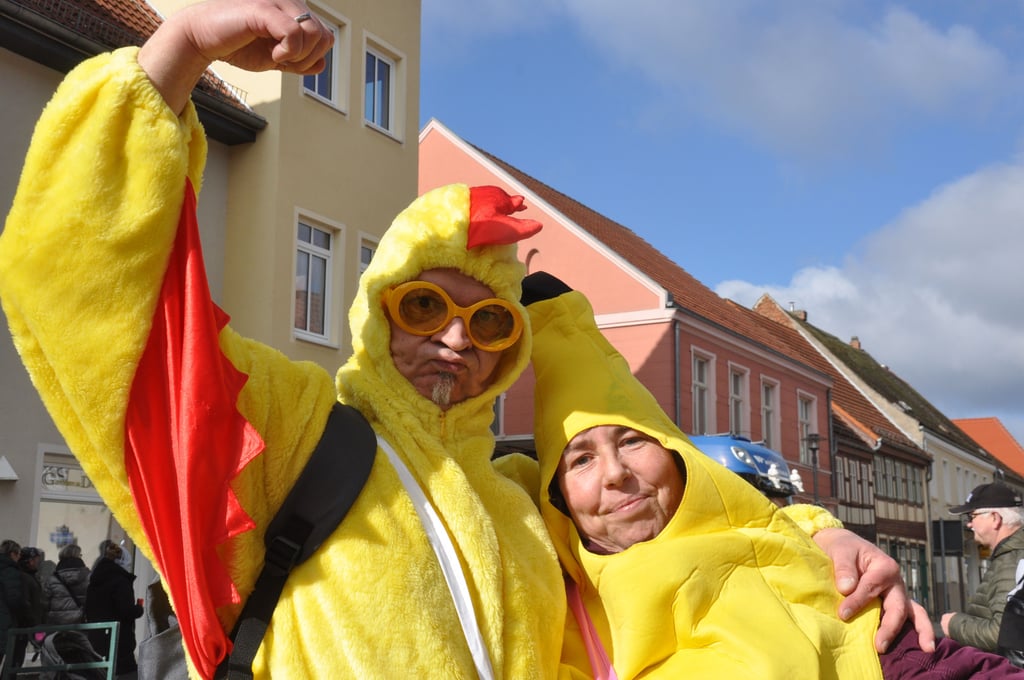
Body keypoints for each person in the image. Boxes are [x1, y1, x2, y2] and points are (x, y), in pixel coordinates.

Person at [0, 1, 923, 677]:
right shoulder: (295, 429)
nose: (455, 342)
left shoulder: (522, 498)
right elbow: (92, 303)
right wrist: (177, 53)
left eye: (487, 322)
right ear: (374, 309)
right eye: (421, 309)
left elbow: (676, 526)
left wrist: (819, 534)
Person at [524, 275, 1021, 679]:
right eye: (581, 460)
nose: (616, 473)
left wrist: (818, 532)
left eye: (633, 441)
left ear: (680, 458)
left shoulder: (806, 568)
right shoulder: (547, 609)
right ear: (558, 496)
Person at [941, 482, 1024, 654]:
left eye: (972, 516)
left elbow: (1003, 634)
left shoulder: (1011, 560)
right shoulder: (1009, 555)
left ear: (995, 518)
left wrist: (953, 624)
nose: (969, 524)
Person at [85, 541, 144, 677]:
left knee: (102, 671)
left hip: (97, 635)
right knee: (126, 672)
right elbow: (126, 610)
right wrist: (139, 609)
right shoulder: (121, 582)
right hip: (118, 638)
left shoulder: (95, 580)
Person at [11, 547, 45, 669]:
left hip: (27, 625)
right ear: (29, 561)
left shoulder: (30, 576)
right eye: (36, 559)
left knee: (16, 659)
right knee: (14, 659)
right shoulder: (24, 577)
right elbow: (25, 603)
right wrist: (33, 623)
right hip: (22, 626)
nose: (37, 562)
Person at [44, 543, 91, 626]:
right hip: (80, 622)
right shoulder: (88, 576)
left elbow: (45, 603)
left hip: (57, 624)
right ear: (77, 556)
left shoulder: (52, 579)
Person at [0, 541, 22, 671]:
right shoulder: (10, 571)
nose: (19, 558)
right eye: (18, 554)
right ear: (12, 554)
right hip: (3, 620)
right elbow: (13, 599)